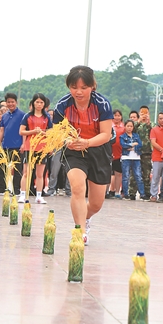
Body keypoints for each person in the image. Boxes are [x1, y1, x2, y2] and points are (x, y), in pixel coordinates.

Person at [53, 65, 113, 245]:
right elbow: (57, 133)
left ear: (92, 86)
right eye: (74, 87)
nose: (78, 92)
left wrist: (87, 142)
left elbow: (106, 134)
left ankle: (85, 218)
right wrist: (67, 141)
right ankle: (79, 231)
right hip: (73, 151)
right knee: (78, 188)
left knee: (96, 203)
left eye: (83, 88)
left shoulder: (102, 104)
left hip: (98, 149)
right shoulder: (62, 106)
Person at [18, 93, 52, 204]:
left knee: (40, 174)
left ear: (44, 104)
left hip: (42, 148)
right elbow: (21, 131)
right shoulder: (28, 116)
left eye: (41, 102)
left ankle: (39, 195)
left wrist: (42, 133)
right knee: (26, 173)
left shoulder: (47, 117)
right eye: (37, 102)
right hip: (29, 147)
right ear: (33, 103)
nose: (39, 104)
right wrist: (33, 131)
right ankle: (22, 194)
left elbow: (51, 133)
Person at [0, 93, 24, 195]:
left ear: (16, 102)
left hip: (17, 146)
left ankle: (16, 190)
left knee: (17, 170)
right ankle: (1, 189)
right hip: (5, 146)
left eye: (12, 102)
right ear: (6, 103)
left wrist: (23, 144)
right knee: (1, 168)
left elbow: (24, 130)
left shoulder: (22, 115)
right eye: (8, 102)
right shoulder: (4, 116)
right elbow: (1, 130)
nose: (10, 104)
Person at [120, 119, 145, 201]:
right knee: (126, 176)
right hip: (126, 158)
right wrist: (132, 144)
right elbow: (123, 145)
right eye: (128, 126)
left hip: (136, 158)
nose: (129, 128)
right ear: (125, 126)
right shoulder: (122, 136)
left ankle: (142, 194)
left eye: (131, 126)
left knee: (138, 176)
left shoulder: (136, 136)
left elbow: (140, 144)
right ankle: (126, 194)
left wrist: (131, 147)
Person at [106, 109, 125, 199]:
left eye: (119, 115)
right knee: (107, 173)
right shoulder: (108, 126)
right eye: (115, 115)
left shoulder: (124, 127)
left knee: (118, 173)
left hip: (120, 153)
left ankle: (117, 191)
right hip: (109, 152)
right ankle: (106, 191)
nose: (117, 117)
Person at [149, 112, 163, 202]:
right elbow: (153, 142)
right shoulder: (154, 130)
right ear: (157, 120)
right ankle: (153, 195)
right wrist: (162, 149)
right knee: (156, 176)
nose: (162, 120)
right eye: (160, 118)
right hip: (157, 157)